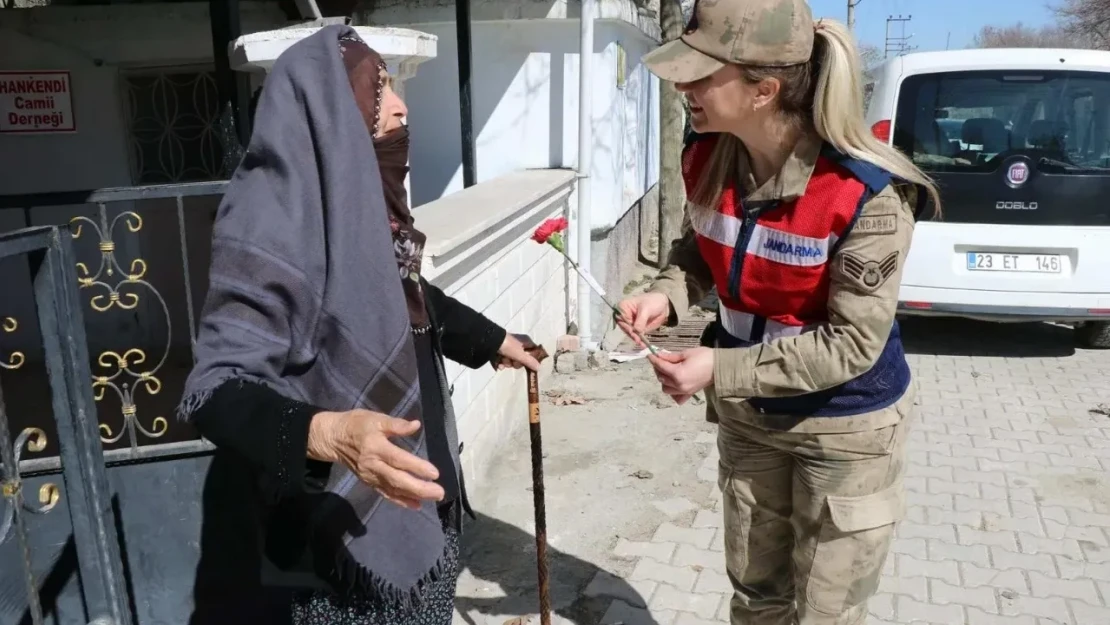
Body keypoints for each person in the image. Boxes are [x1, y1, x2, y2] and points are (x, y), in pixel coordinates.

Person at [178, 26, 540, 625]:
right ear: (328, 118)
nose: (400, 107)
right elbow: (216, 388)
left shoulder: (370, 219)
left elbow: (413, 301)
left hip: (424, 504)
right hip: (339, 547)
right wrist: (327, 434)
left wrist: (494, 341)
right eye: (378, 94)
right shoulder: (269, 225)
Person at [619, 1, 941, 624]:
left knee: (825, 611)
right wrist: (667, 292)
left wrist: (719, 368)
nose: (683, 88)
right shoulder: (710, 154)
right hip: (751, 420)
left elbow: (851, 345)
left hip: (844, 429)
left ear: (763, 89)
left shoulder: (866, 194)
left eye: (700, 76)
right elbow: (704, 249)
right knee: (757, 597)